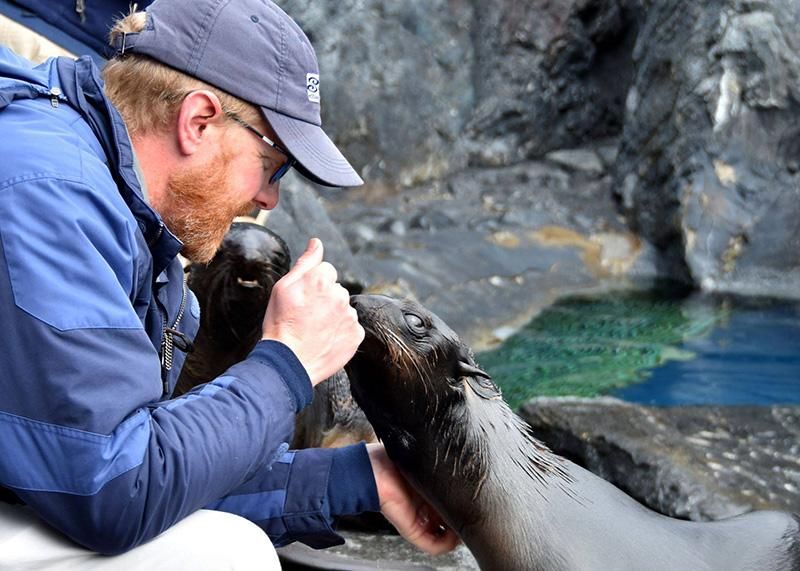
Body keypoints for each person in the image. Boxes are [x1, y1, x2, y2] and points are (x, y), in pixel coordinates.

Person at [0, 0, 459, 568]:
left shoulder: (132, 219)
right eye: (275, 166)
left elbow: (155, 468)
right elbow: (116, 490)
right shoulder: (46, 192)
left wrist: (364, 478)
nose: (270, 198)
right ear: (198, 121)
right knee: (222, 554)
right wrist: (287, 363)